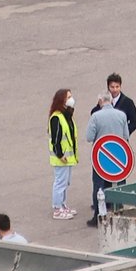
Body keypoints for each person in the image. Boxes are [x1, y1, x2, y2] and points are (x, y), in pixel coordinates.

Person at [84, 95, 131, 225]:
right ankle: (120, 211)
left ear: (100, 102)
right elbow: (125, 135)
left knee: (98, 186)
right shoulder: (121, 115)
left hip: (100, 156)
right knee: (119, 183)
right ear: (110, 101)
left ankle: (98, 216)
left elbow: (89, 137)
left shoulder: (96, 116)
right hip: (118, 155)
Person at [47, 88, 78, 219]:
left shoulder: (66, 115)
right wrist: (60, 155)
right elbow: (56, 139)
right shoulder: (56, 118)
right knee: (60, 183)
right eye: (68, 97)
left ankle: (63, 205)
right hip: (61, 158)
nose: (71, 99)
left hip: (69, 157)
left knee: (66, 182)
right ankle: (57, 208)